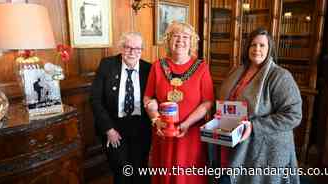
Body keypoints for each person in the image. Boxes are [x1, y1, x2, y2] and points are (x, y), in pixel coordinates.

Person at [218, 27, 302, 184]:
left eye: (262, 45)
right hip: (233, 137)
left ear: (269, 48)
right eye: (253, 45)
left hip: (263, 149)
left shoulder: (280, 76)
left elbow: (293, 115)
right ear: (247, 48)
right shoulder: (238, 71)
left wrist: (254, 126)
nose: (257, 49)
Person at [144, 21, 214, 184]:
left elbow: (207, 102)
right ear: (168, 40)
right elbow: (148, 98)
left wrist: (187, 123)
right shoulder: (158, 66)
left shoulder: (201, 67)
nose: (180, 40)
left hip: (191, 134)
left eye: (185, 37)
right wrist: (156, 120)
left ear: (192, 42)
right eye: (176, 36)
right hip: (164, 133)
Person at [91, 32, 151, 184]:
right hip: (114, 127)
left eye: (137, 48)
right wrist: (109, 129)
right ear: (121, 48)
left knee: (140, 170)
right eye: (128, 47)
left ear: (142, 50)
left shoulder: (148, 69)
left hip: (141, 126)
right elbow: (95, 99)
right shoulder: (107, 65)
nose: (132, 52)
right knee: (122, 170)